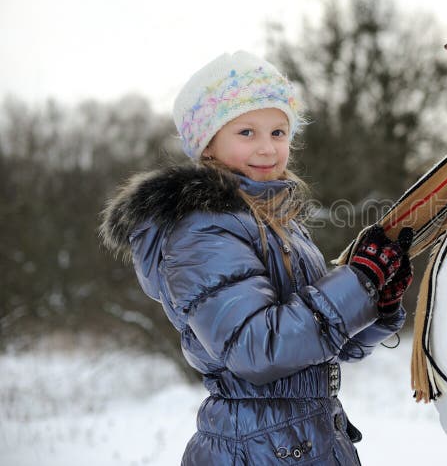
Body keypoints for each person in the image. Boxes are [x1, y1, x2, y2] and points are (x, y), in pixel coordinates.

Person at [100, 50, 414, 465]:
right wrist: (354, 283)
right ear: (208, 144)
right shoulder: (201, 230)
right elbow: (256, 350)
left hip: (307, 438)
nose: (267, 148)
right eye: (246, 132)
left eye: (279, 132)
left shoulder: (279, 223)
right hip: (253, 447)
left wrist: (375, 298)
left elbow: (319, 347)